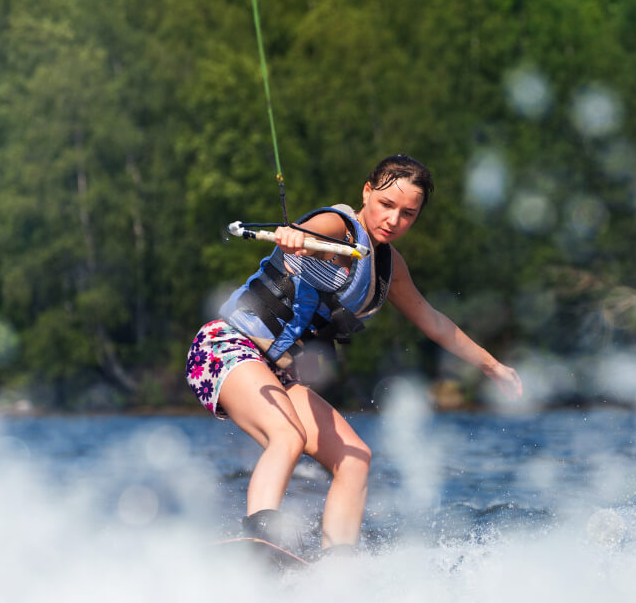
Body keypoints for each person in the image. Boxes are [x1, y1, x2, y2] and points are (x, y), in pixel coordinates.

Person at [185, 154, 523, 556]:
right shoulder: (338, 226)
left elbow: (433, 321)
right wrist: (294, 236)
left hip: (275, 373)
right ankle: (261, 539)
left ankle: (338, 564)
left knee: (356, 457)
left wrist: (491, 365)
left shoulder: (387, 266)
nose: (394, 220)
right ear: (367, 192)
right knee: (287, 436)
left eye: (408, 214)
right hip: (224, 347)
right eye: (386, 205)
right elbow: (306, 231)